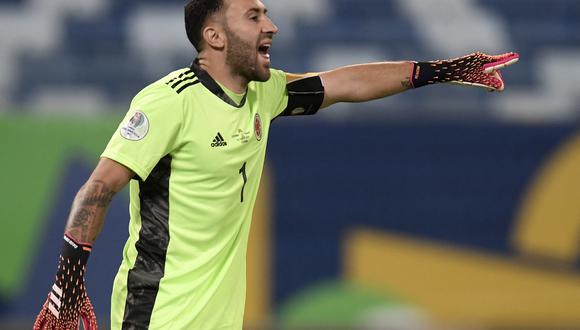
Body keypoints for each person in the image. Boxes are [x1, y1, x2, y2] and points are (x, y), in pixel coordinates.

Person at [33, 0, 519, 329]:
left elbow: (346, 83)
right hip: (160, 317)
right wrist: (67, 285)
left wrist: (441, 71)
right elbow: (97, 189)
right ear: (214, 35)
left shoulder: (263, 94)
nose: (271, 25)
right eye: (253, 15)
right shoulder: (169, 103)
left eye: (266, 13)